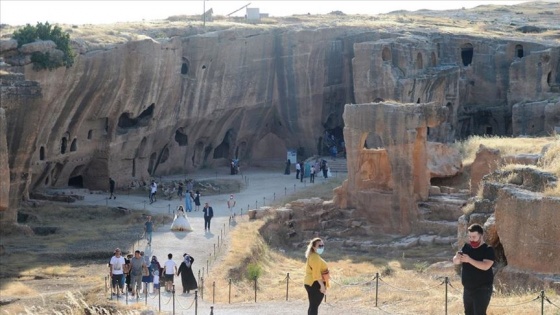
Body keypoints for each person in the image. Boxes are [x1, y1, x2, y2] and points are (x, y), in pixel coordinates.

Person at [453, 224, 495, 315]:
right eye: (470, 237)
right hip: (467, 289)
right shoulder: (467, 247)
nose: (471, 239)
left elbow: (486, 266)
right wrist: (457, 257)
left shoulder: (488, 250)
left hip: (482, 289)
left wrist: (469, 260)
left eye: (474, 237)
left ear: (481, 235)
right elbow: (456, 262)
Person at [304, 238, 330, 315]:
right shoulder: (315, 257)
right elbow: (316, 273)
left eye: (322, 245)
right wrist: (322, 285)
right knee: (314, 307)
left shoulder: (313, 255)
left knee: (313, 306)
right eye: (319, 246)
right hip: (315, 283)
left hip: (310, 282)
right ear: (314, 247)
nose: (321, 247)